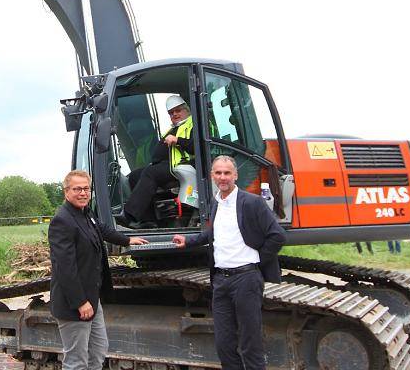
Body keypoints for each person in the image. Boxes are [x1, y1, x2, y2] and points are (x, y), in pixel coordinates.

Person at [171, 156, 286, 370]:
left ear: (235, 175)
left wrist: (258, 260)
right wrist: (189, 240)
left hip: (246, 279)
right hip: (221, 282)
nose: (222, 177)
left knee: (250, 344)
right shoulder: (217, 203)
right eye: (218, 173)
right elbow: (213, 234)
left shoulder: (252, 202)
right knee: (224, 344)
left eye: (227, 173)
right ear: (212, 176)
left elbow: (277, 236)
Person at [49, 170, 148, 370]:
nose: (83, 193)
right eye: (77, 189)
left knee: (99, 350)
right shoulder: (62, 221)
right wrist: (80, 302)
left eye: (86, 188)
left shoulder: (85, 213)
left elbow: (101, 228)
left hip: (92, 298)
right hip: (75, 304)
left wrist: (127, 239)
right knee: (76, 360)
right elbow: (65, 269)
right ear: (66, 191)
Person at [119, 94, 196, 228]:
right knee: (135, 175)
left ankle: (129, 215)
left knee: (151, 173)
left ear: (187, 110)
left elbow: (198, 146)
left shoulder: (195, 124)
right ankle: (148, 220)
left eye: (178, 111)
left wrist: (178, 141)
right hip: (170, 165)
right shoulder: (173, 128)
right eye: (171, 113)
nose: (175, 114)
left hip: (185, 165)